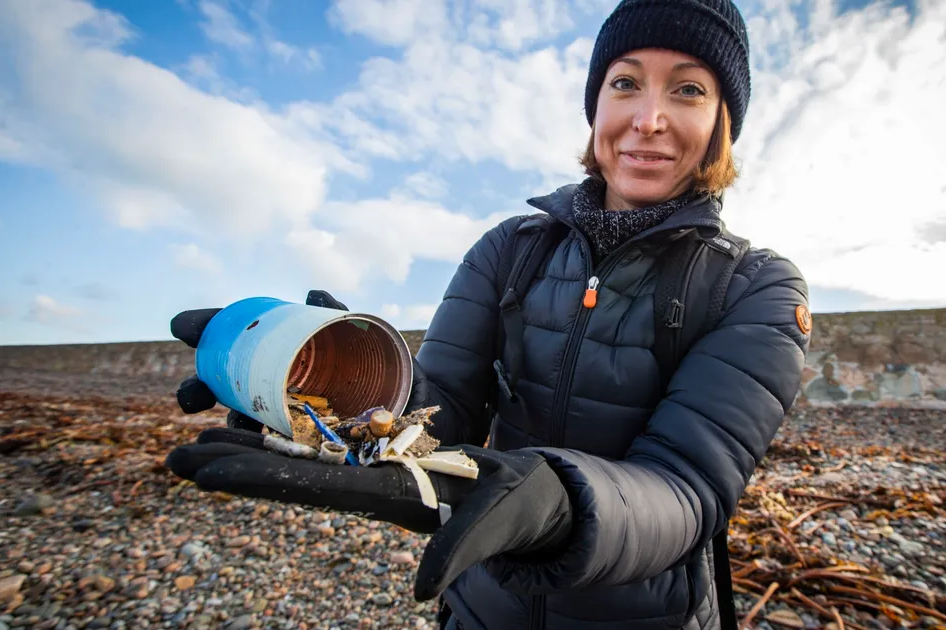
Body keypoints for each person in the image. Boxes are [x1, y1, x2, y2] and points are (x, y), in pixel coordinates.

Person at [165, 0, 811, 628]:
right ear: (595, 106)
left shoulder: (756, 287)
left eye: (689, 90)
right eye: (625, 83)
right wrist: (336, 374)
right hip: (480, 597)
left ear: (725, 119)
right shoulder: (513, 248)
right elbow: (440, 408)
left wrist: (557, 506)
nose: (648, 118)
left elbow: (689, 490)